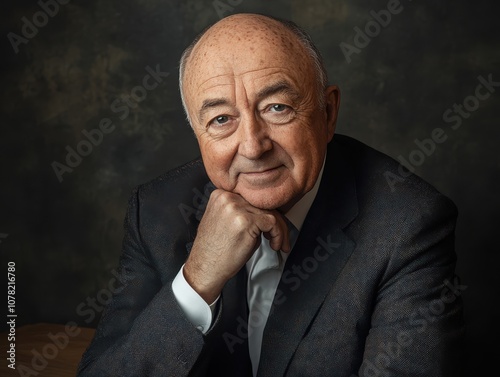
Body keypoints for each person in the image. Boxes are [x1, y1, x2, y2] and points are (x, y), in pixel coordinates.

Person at [78, 13, 464, 377]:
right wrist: (196, 281)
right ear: (197, 133)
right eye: (221, 119)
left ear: (327, 113)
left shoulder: (408, 225)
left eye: (277, 108)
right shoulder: (156, 212)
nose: (252, 146)